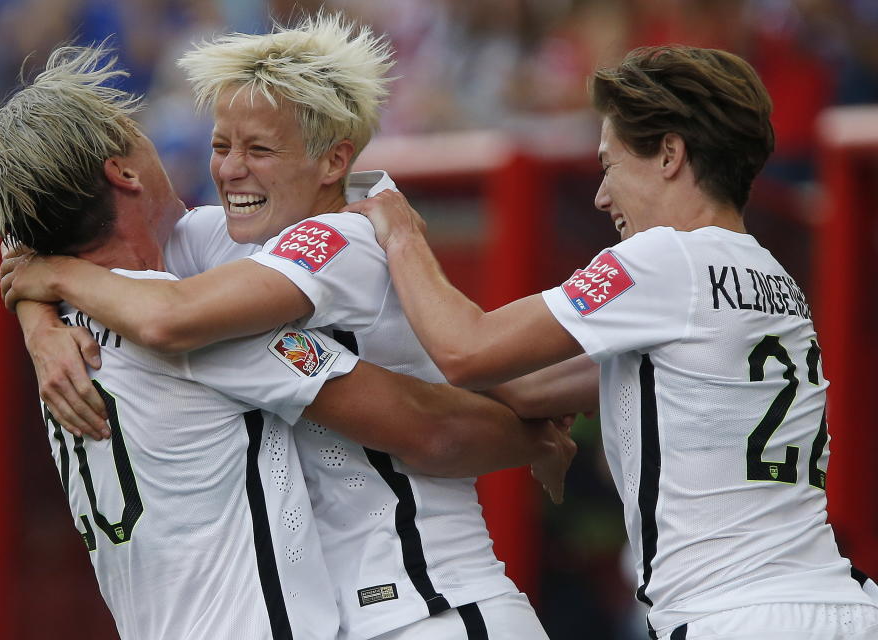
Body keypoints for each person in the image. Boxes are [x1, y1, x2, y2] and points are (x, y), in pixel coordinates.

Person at [0, 44, 567, 639]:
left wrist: (43, 296)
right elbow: (143, 297)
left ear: (332, 161)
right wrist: (533, 438)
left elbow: (66, 246)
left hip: (433, 599)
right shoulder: (179, 301)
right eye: (221, 145)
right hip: (360, 611)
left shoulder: (334, 237)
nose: (225, 167)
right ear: (122, 171)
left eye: (260, 148)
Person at [342, 46, 878, 639]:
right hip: (843, 604)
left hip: (733, 615)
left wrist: (401, 234)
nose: (601, 196)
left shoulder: (664, 256)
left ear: (670, 154)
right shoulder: (776, 280)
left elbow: (468, 351)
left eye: (610, 165)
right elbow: (527, 388)